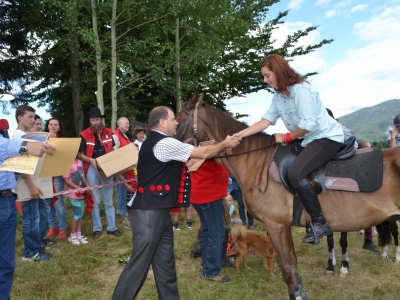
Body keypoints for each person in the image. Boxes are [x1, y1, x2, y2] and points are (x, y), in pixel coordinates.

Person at [112, 106, 239, 300]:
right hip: (148, 213)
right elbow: (203, 153)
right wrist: (225, 143)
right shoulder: (164, 142)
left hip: (158, 211)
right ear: (162, 122)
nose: (176, 122)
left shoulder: (158, 143)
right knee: (138, 267)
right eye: (173, 119)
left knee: (166, 266)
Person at [233, 54, 344, 244]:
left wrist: (285, 137)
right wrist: (241, 134)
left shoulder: (301, 90)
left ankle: (320, 223)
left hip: (326, 137)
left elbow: (308, 124)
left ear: (278, 72)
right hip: (307, 140)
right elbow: (266, 121)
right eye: (264, 76)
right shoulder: (278, 96)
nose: (265, 80)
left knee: (296, 173)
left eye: (267, 75)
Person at [0, 130, 55, 298]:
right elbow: (5, 146)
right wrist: (25, 146)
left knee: (6, 263)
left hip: (7, 199)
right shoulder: (9, 142)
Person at [12, 105, 54, 261]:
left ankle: (36, 249)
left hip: (35, 182)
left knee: (37, 217)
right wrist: (31, 185)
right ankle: (30, 253)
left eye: (34, 117)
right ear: (19, 117)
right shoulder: (18, 137)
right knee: (30, 218)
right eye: (29, 117)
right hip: (27, 184)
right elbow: (21, 164)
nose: (33, 120)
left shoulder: (29, 136)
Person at [78, 107, 121, 239]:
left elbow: (114, 150)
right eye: (92, 120)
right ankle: (97, 229)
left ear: (101, 120)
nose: (95, 122)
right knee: (96, 201)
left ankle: (112, 228)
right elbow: (80, 155)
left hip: (107, 167)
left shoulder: (109, 132)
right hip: (92, 167)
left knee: (108, 200)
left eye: (97, 120)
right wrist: (91, 161)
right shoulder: (83, 135)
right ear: (90, 121)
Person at [44, 117, 68, 239]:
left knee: (58, 202)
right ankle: (53, 226)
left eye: (55, 125)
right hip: (45, 174)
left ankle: (63, 228)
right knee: (48, 203)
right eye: (51, 124)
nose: (53, 126)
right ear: (47, 126)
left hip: (57, 174)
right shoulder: (42, 140)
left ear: (59, 127)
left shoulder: (63, 141)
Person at [63, 157, 90, 245]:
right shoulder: (66, 163)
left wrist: (87, 185)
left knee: (80, 214)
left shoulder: (79, 162)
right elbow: (66, 179)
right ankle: (72, 236)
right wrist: (78, 188)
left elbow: (82, 175)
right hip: (73, 194)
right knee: (77, 214)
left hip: (82, 193)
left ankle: (79, 234)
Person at [112, 117, 131, 228]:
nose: (128, 125)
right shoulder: (115, 136)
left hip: (127, 167)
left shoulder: (124, 136)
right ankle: (121, 214)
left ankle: (124, 214)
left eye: (128, 123)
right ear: (119, 124)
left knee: (124, 191)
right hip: (121, 168)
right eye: (126, 123)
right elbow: (115, 154)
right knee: (121, 191)